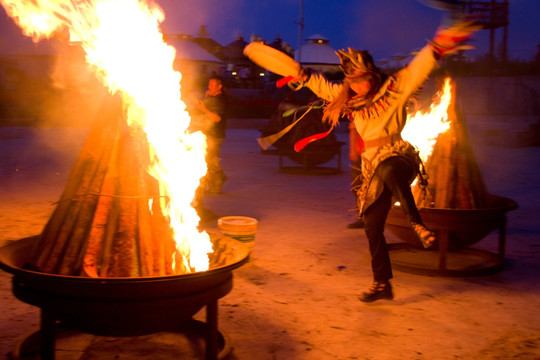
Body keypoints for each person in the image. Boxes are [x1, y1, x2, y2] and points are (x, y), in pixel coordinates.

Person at [291, 19, 479, 302]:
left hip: (400, 159)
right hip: (373, 169)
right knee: (372, 226)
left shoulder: (394, 89)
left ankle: (417, 223)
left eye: (361, 79)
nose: (357, 86)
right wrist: (301, 74)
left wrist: (439, 45)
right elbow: (321, 86)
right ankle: (382, 284)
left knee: (389, 166)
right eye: (352, 82)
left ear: (372, 74)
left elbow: (418, 68)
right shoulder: (350, 100)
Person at [195, 75, 229, 194]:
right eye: (209, 84)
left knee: (211, 160)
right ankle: (215, 183)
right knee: (208, 160)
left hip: (215, 135)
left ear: (219, 86)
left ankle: (218, 182)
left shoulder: (221, 100)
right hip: (207, 133)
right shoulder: (210, 97)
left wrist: (204, 108)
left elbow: (216, 118)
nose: (210, 87)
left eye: (213, 85)